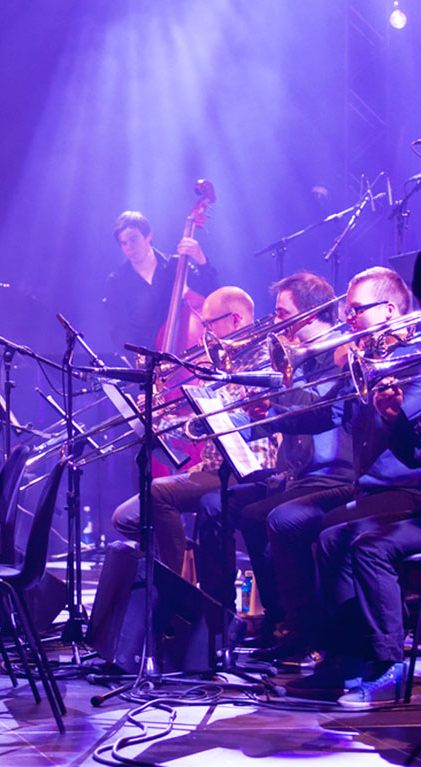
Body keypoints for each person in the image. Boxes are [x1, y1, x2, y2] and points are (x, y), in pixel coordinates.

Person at [281, 266, 421, 698]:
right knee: (327, 536)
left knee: (346, 538)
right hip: (375, 488)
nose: (348, 318)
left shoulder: (412, 360)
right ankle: (345, 661)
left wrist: (391, 414)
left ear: (390, 310)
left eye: (356, 309)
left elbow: (410, 452)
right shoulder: (370, 359)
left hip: (408, 491)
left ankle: (383, 663)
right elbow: (334, 418)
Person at [194, 273, 354, 630]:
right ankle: (218, 625)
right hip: (293, 475)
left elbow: (321, 410)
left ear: (309, 315)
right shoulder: (294, 359)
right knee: (214, 506)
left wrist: (275, 395)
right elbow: (276, 419)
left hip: (331, 477)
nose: (275, 321)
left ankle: (291, 625)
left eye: (282, 313)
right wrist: (223, 423)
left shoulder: (340, 353)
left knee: (260, 515)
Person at [110, 286, 276, 577]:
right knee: (126, 518)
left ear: (236, 319)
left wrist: (194, 403)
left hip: (248, 469)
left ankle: (175, 593)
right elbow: (197, 431)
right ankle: (182, 565)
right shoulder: (219, 363)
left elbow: (231, 420)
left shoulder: (264, 360)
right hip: (213, 466)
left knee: (159, 493)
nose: (204, 334)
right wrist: (156, 417)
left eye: (209, 324)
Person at [103, 210, 219, 350]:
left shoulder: (176, 266)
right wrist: (139, 360)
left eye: (133, 240)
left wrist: (201, 260)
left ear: (148, 236)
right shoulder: (117, 281)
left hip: (184, 352)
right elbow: (119, 332)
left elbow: (212, 296)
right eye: (124, 243)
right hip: (147, 364)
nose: (129, 248)